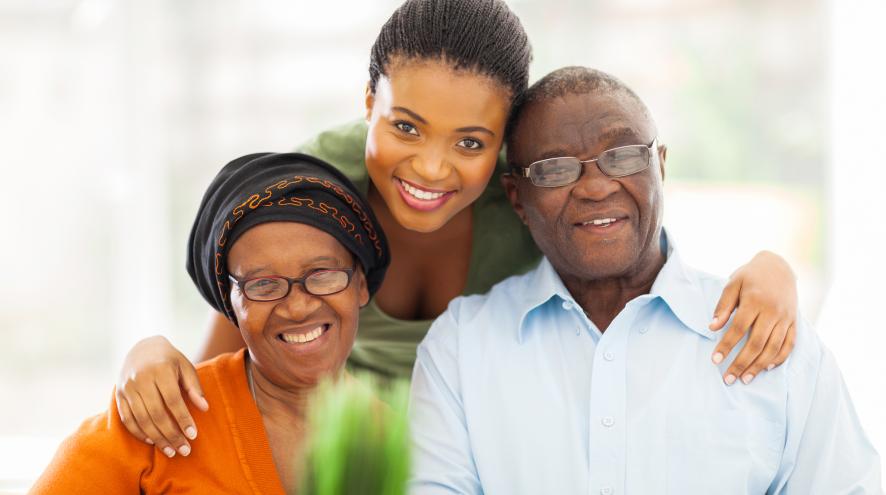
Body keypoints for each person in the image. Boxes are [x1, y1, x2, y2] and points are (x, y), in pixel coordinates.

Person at [114, 0, 800, 459]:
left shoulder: (530, 199)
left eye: (471, 142)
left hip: (489, 453)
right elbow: (223, 368)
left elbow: (632, 254)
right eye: (405, 126)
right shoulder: (313, 189)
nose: (431, 167)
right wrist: (147, 353)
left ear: (504, 150)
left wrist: (773, 269)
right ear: (367, 106)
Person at [409, 66, 882, 494]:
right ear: (517, 198)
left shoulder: (771, 337)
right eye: (555, 169)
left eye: (623, 155)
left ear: (661, 165)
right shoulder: (460, 348)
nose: (596, 187)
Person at [31, 153, 391, 494]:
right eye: (262, 284)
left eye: (323, 274)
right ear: (231, 305)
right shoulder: (160, 418)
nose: (297, 307)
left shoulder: (407, 444)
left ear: (360, 284)